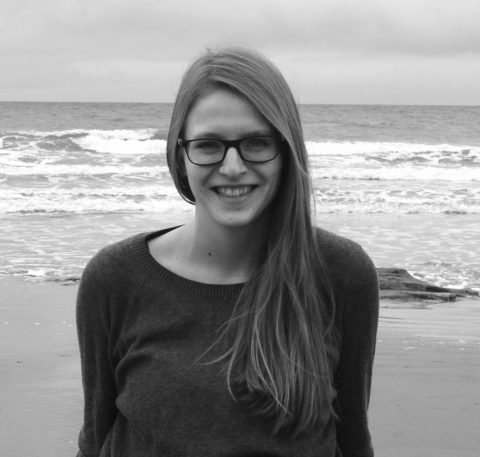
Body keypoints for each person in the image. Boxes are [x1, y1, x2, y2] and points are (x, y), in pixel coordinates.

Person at [76, 47, 379, 457]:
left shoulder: (342, 273)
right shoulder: (115, 278)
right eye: (208, 145)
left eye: (256, 142)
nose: (233, 167)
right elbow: (95, 439)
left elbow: (353, 441)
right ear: (180, 154)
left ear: (286, 150)